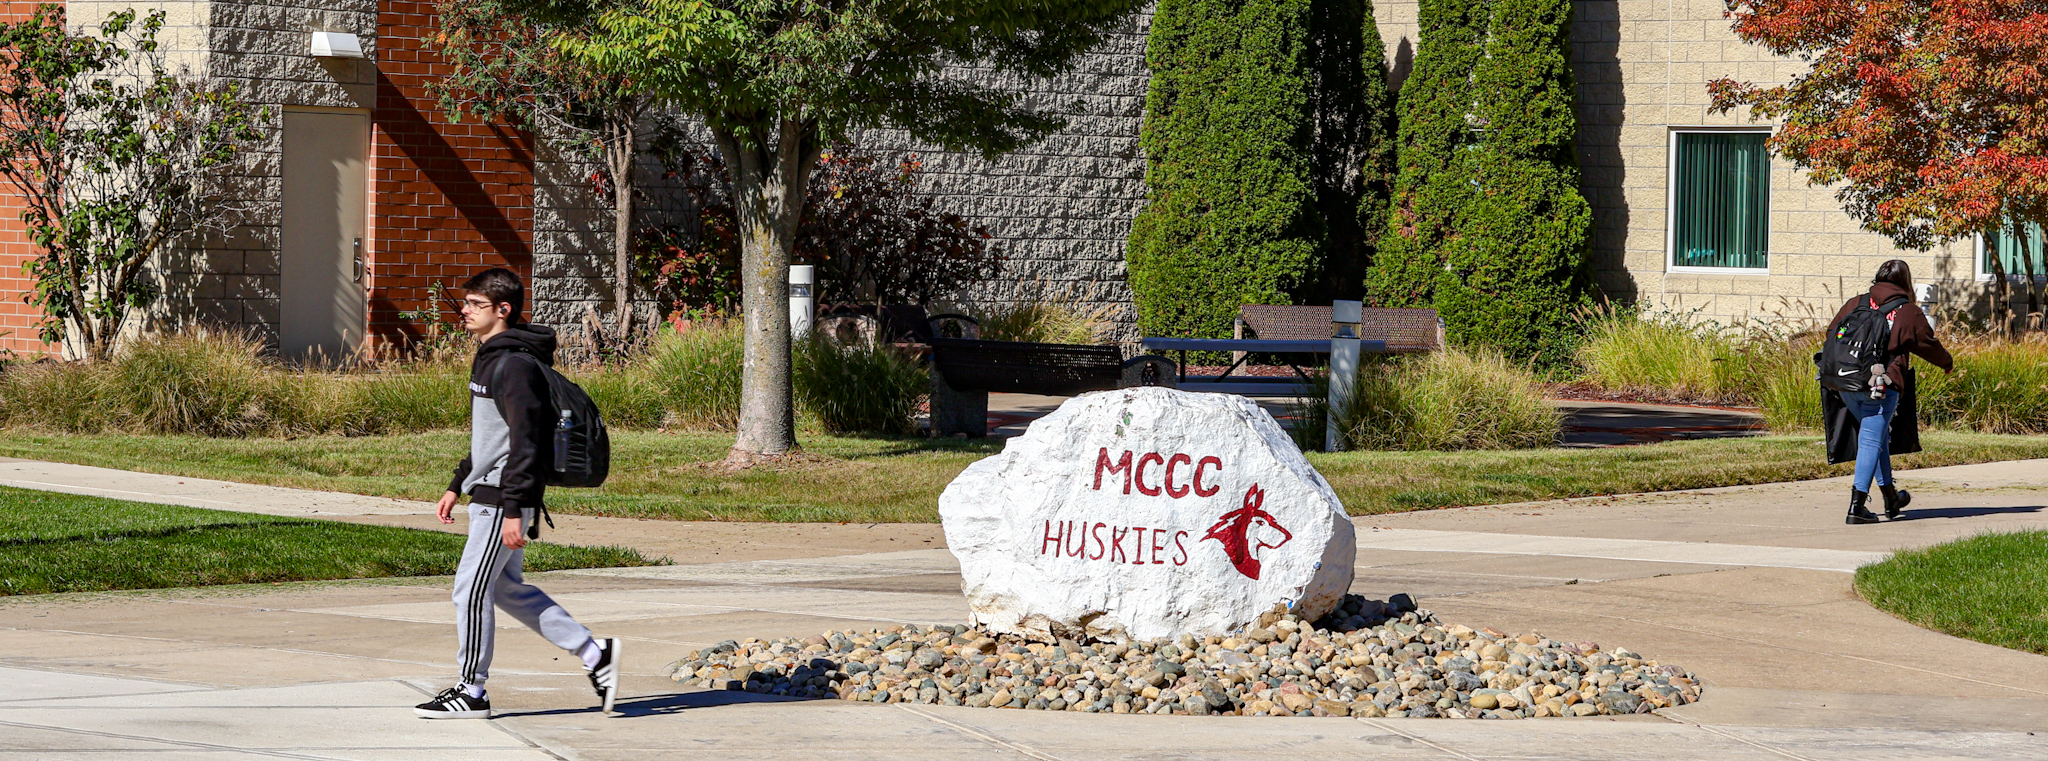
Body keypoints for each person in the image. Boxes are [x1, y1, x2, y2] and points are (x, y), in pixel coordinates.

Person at [414, 267, 622, 719]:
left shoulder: (514, 366)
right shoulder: (491, 357)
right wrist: (457, 483)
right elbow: (492, 438)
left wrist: (514, 509)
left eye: (475, 304)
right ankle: (593, 653)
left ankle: (472, 690)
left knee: (469, 592)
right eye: (465, 303)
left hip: (502, 498)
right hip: (489, 491)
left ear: (502, 310)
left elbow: (525, 445)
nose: (465, 311)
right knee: (505, 589)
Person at [1821, 260, 1953, 525]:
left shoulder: (1855, 303)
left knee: (1876, 435)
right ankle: (1857, 506)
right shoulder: (1907, 311)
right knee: (1871, 440)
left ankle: (1891, 496)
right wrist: (1947, 363)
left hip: (1844, 384)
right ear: (1904, 282)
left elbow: (1831, 332)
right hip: (1881, 385)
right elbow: (1927, 343)